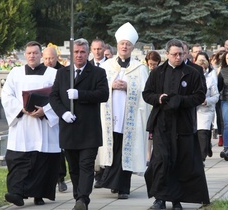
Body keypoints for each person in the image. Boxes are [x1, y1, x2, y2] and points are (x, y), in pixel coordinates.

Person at [143, 39, 210, 210]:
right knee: (160, 161)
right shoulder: (157, 72)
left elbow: (199, 96)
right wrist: (158, 98)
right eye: (174, 54)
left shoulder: (192, 73)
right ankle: (159, 199)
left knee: (179, 161)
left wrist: (180, 100)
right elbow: (147, 93)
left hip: (182, 124)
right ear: (167, 54)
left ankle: (176, 200)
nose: (178, 57)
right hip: (162, 123)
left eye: (181, 54)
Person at [49, 38, 109, 210]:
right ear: (72, 54)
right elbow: (53, 97)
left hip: (89, 129)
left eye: (82, 52)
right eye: (76, 52)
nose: (79, 55)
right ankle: (78, 198)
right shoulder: (62, 73)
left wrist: (80, 94)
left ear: (88, 53)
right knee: (73, 168)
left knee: (86, 166)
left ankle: (83, 199)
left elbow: (103, 94)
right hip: (69, 129)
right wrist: (63, 113)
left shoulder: (98, 73)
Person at [1, 41, 60, 206]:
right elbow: (6, 95)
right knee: (19, 160)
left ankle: (39, 194)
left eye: (35, 53)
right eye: (29, 53)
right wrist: (21, 109)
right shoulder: (15, 73)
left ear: (41, 55)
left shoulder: (53, 74)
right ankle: (16, 193)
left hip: (43, 125)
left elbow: (58, 98)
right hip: (22, 124)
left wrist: (45, 111)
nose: (32, 56)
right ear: (25, 55)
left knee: (42, 161)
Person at [95, 22, 150, 200]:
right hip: (110, 117)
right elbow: (99, 89)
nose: (125, 46)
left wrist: (129, 87)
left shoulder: (140, 68)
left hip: (129, 119)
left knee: (125, 153)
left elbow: (145, 93)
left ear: (133, 47)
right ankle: (113, 183)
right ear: (117, 45)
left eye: (128, 44)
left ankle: (123, 188)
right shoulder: (106, 67)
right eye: (122, 44)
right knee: (113, 149)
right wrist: (111, 85)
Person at [42, 46, 67, 193]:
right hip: (42, 114)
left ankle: (60, 179)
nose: (48, 61)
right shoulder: (40, 72)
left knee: (59, 148)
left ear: (56, 58)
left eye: (51, 58)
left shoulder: (63, 71)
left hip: (59, 114)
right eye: (45, 58)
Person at [195, 52, 219, 163]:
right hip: (194, 110)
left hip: (205, 111)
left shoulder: (210, 79)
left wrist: (207, 101)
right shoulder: (191, 78)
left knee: (203, 134)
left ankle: (201, 159)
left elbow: (216, 96)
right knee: (195, 136)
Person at [144, 50, 162, 167]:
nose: (152, 67)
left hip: (155, 105)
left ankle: (151, 155)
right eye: (150, 64)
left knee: (152, 132)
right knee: (147, 133)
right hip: (145, 105)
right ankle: (147, 155)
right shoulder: (143, 72)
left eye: (154, 64)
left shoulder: (159, 73)